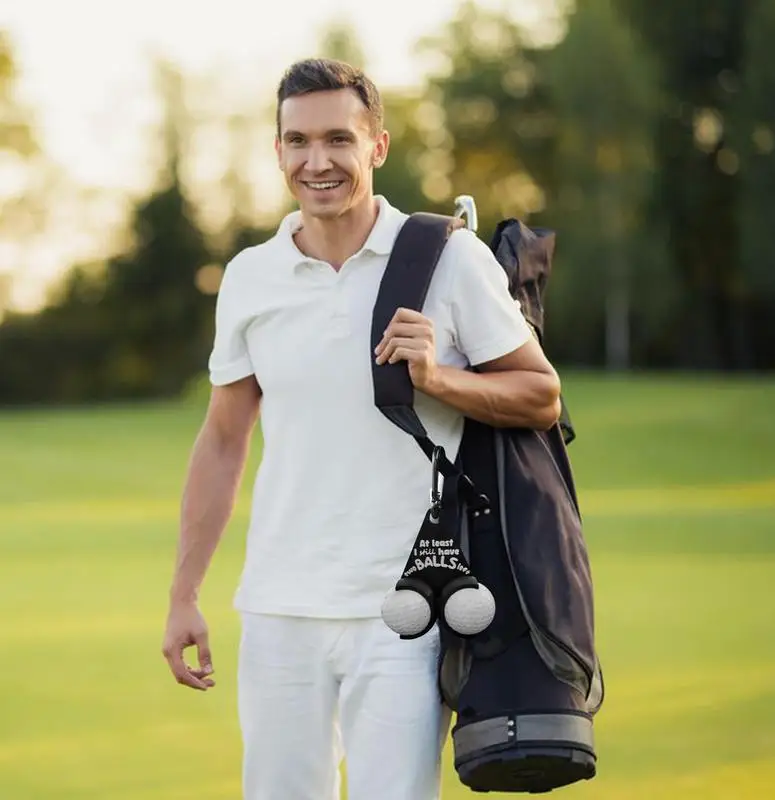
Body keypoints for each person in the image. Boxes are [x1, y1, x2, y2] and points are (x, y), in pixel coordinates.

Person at [161, 57, 562, 800]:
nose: (319, 161)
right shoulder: (250, 276)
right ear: (278, 150)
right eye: (298, 141)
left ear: (377, 145)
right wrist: (185, 593)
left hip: (406, 608)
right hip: (278, 608)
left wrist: (440, 380)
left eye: (339, 140)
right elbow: (223, 439)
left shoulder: (449, 258)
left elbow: (540, 394)